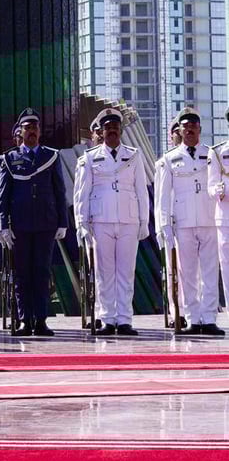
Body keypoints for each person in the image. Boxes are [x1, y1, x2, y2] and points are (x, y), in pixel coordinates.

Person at [73, 107, 149, 336]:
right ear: (101, 131)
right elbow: (81, 193)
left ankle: (124, 319)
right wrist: (81, 223)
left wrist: (144, 221)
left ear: (121, 130)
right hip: (101, 221)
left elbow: (141, 190)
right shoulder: (89, 157)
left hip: (128, 219)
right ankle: (106, 318)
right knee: (104, 273)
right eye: (108, 128)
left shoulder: (134, 155)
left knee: (126, 271)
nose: (112, 131)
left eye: (115, 127)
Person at [0, 107, 68, 337]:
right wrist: (1, 225)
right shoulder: (9, 159)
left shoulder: (51, 156)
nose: (32, 131)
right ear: (20, 132)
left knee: (42, 272)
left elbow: (60, 190)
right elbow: (2, 195)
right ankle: (25, 319)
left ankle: (41, 320)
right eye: (27, 128)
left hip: (46, 223)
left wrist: (63, 222)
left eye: (35, 127)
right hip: (20, 226)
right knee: (22, 274)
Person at [155, 107, 224, 337]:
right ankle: (193, 318)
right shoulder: (169, 159)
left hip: (208, 219)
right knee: (187, 273)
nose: (190, 130)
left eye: (193, 126)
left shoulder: (212, 154)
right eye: (185, 127)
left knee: (210, 271)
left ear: (200, 130)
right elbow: (163, 196)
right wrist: (164, 226)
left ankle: (209, 318)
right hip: (183, 222)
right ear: (180, 130)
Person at [207, 107, 229, 316]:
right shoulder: (218, 152)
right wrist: (217, 191)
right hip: (225, 217)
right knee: (228, 268)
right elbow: (210, 185)